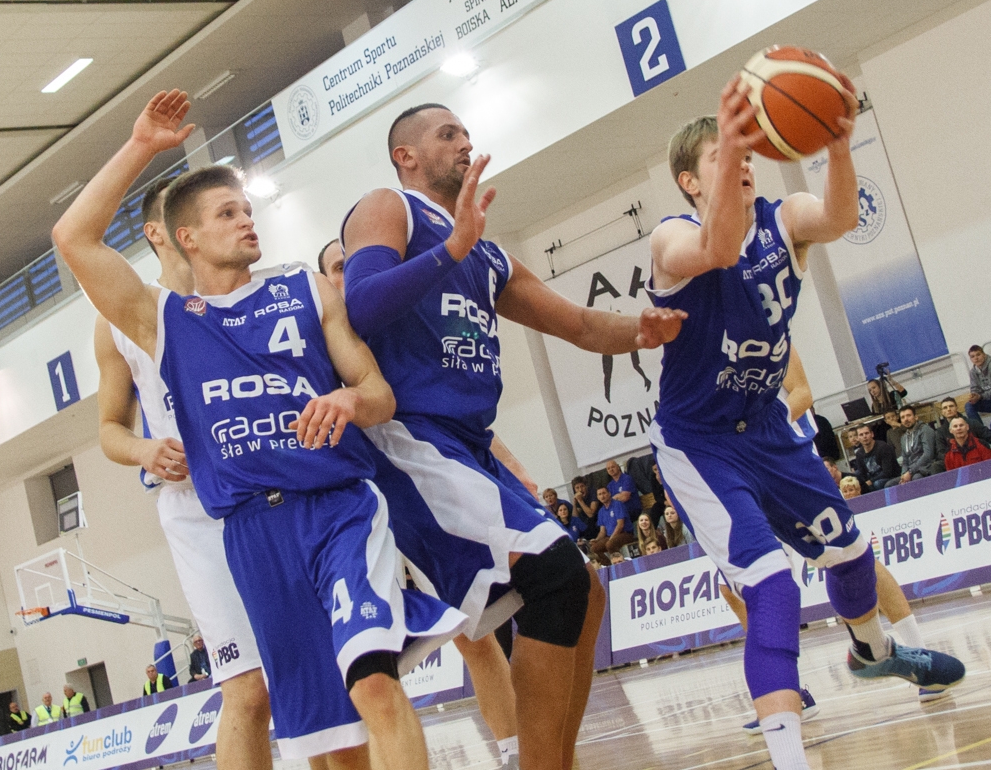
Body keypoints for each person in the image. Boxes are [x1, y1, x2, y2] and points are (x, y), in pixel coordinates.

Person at [55, 91, 468, 770]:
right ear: (185, 238)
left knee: (374, 683)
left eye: (247, 209)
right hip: (251, 532)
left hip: (336, 509)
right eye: (228, 213)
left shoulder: (306, 289)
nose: (247, 220)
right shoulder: (165, 322)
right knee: (328, 734)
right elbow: (73, 238)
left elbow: (379, 394)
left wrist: (347, 401)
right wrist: (140, 147)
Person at [340, 103, 682, 770]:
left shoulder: (487, 253)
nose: (465, 143)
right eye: (448, 134)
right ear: (406, 156)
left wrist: (641, 330)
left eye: (467, 133)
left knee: (587, 592)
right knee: (557, 577)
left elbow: (579, 324)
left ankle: (555, 759)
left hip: (469, 445)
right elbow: (362, 304)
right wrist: (451, 248)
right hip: (410, 442)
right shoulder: (389, 208)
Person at [645, 82, 962, 770]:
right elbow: (717, 248)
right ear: (689, 181)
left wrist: (838, 147)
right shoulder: (671, 237)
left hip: (765, 425)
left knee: (851, 554)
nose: (743, 162)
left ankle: (874, 652)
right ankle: (792, 755)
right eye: (724, 156)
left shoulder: (783, 218)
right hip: (699, 442)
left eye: (747, 153)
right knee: (772, 587)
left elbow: (841, 215)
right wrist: (734, 141)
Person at [92, 175, 294, 770]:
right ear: (162, 233)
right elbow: (108, 429)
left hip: (271, 495)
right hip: (196, 512)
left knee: (308, 673)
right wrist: (143, 451)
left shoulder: (258, 294)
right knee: (247, 691)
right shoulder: (121, 319)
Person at [588, 485, 633, 564]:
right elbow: (602, 531)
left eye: (604, 493)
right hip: (610, 537)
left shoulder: (617, 504)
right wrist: (597, 540)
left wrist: (611, 538)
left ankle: (619, 564)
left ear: (609, 494)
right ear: (598, 497)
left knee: (610, 544)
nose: (602, 496)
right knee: (594, 548)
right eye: (600, 494)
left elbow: (620, 525)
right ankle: (608, 565)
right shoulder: (601, 511)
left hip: (625, 534)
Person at [892, 407, 938, 484]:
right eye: (902, 417)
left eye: (908, 415)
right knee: (889, 485)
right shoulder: (903, 438)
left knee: (916, 478)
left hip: (926, 468)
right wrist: (904, 474)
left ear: (916, 417)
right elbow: (905, 459)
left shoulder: (925, 430)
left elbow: (928, 455)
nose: (906, 419)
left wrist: (910, 472)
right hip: (911, 471)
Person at [850, 423, 899, 492]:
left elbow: (887, 472)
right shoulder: (859, 454)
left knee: (877, 484)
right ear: (858, 438)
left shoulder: (883, 447)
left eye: (866, 433)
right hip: (873, 479)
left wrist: (871, 481)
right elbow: (862, 474)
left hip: (891, 477)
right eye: (861, 435)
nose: (864, 436)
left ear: (872, 434)